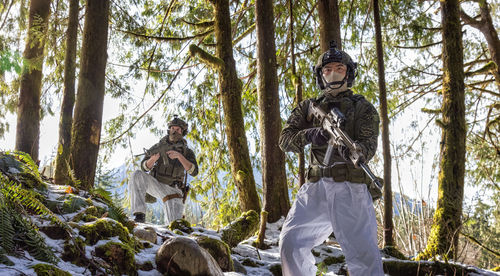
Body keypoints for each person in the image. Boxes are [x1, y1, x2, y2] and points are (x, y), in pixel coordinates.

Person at [278, 41, 384, 276]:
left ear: (349, 73)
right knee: (290, 244)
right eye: (327, 70)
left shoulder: (363, 108)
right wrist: (310, 134)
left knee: (364, 258)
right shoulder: (309, 107)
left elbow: (369, 145)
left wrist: (355, 150)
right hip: (315, 189)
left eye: (339, 68)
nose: (333, 73)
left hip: (351, 188)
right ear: (320, 75)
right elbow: (284, 140)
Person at [129, 115, 198, 225]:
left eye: (178, 129)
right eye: (172, 128)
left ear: (182, 132)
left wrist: (180, 156)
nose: (174, 131)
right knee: (137, 175)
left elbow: (194, 172)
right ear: (169, 130)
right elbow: (144, 167)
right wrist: (152, 159)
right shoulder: (158, 146)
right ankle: (139, 215)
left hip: (174, 190)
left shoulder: (187, 152)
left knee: (175, 227)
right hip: (156, 184)